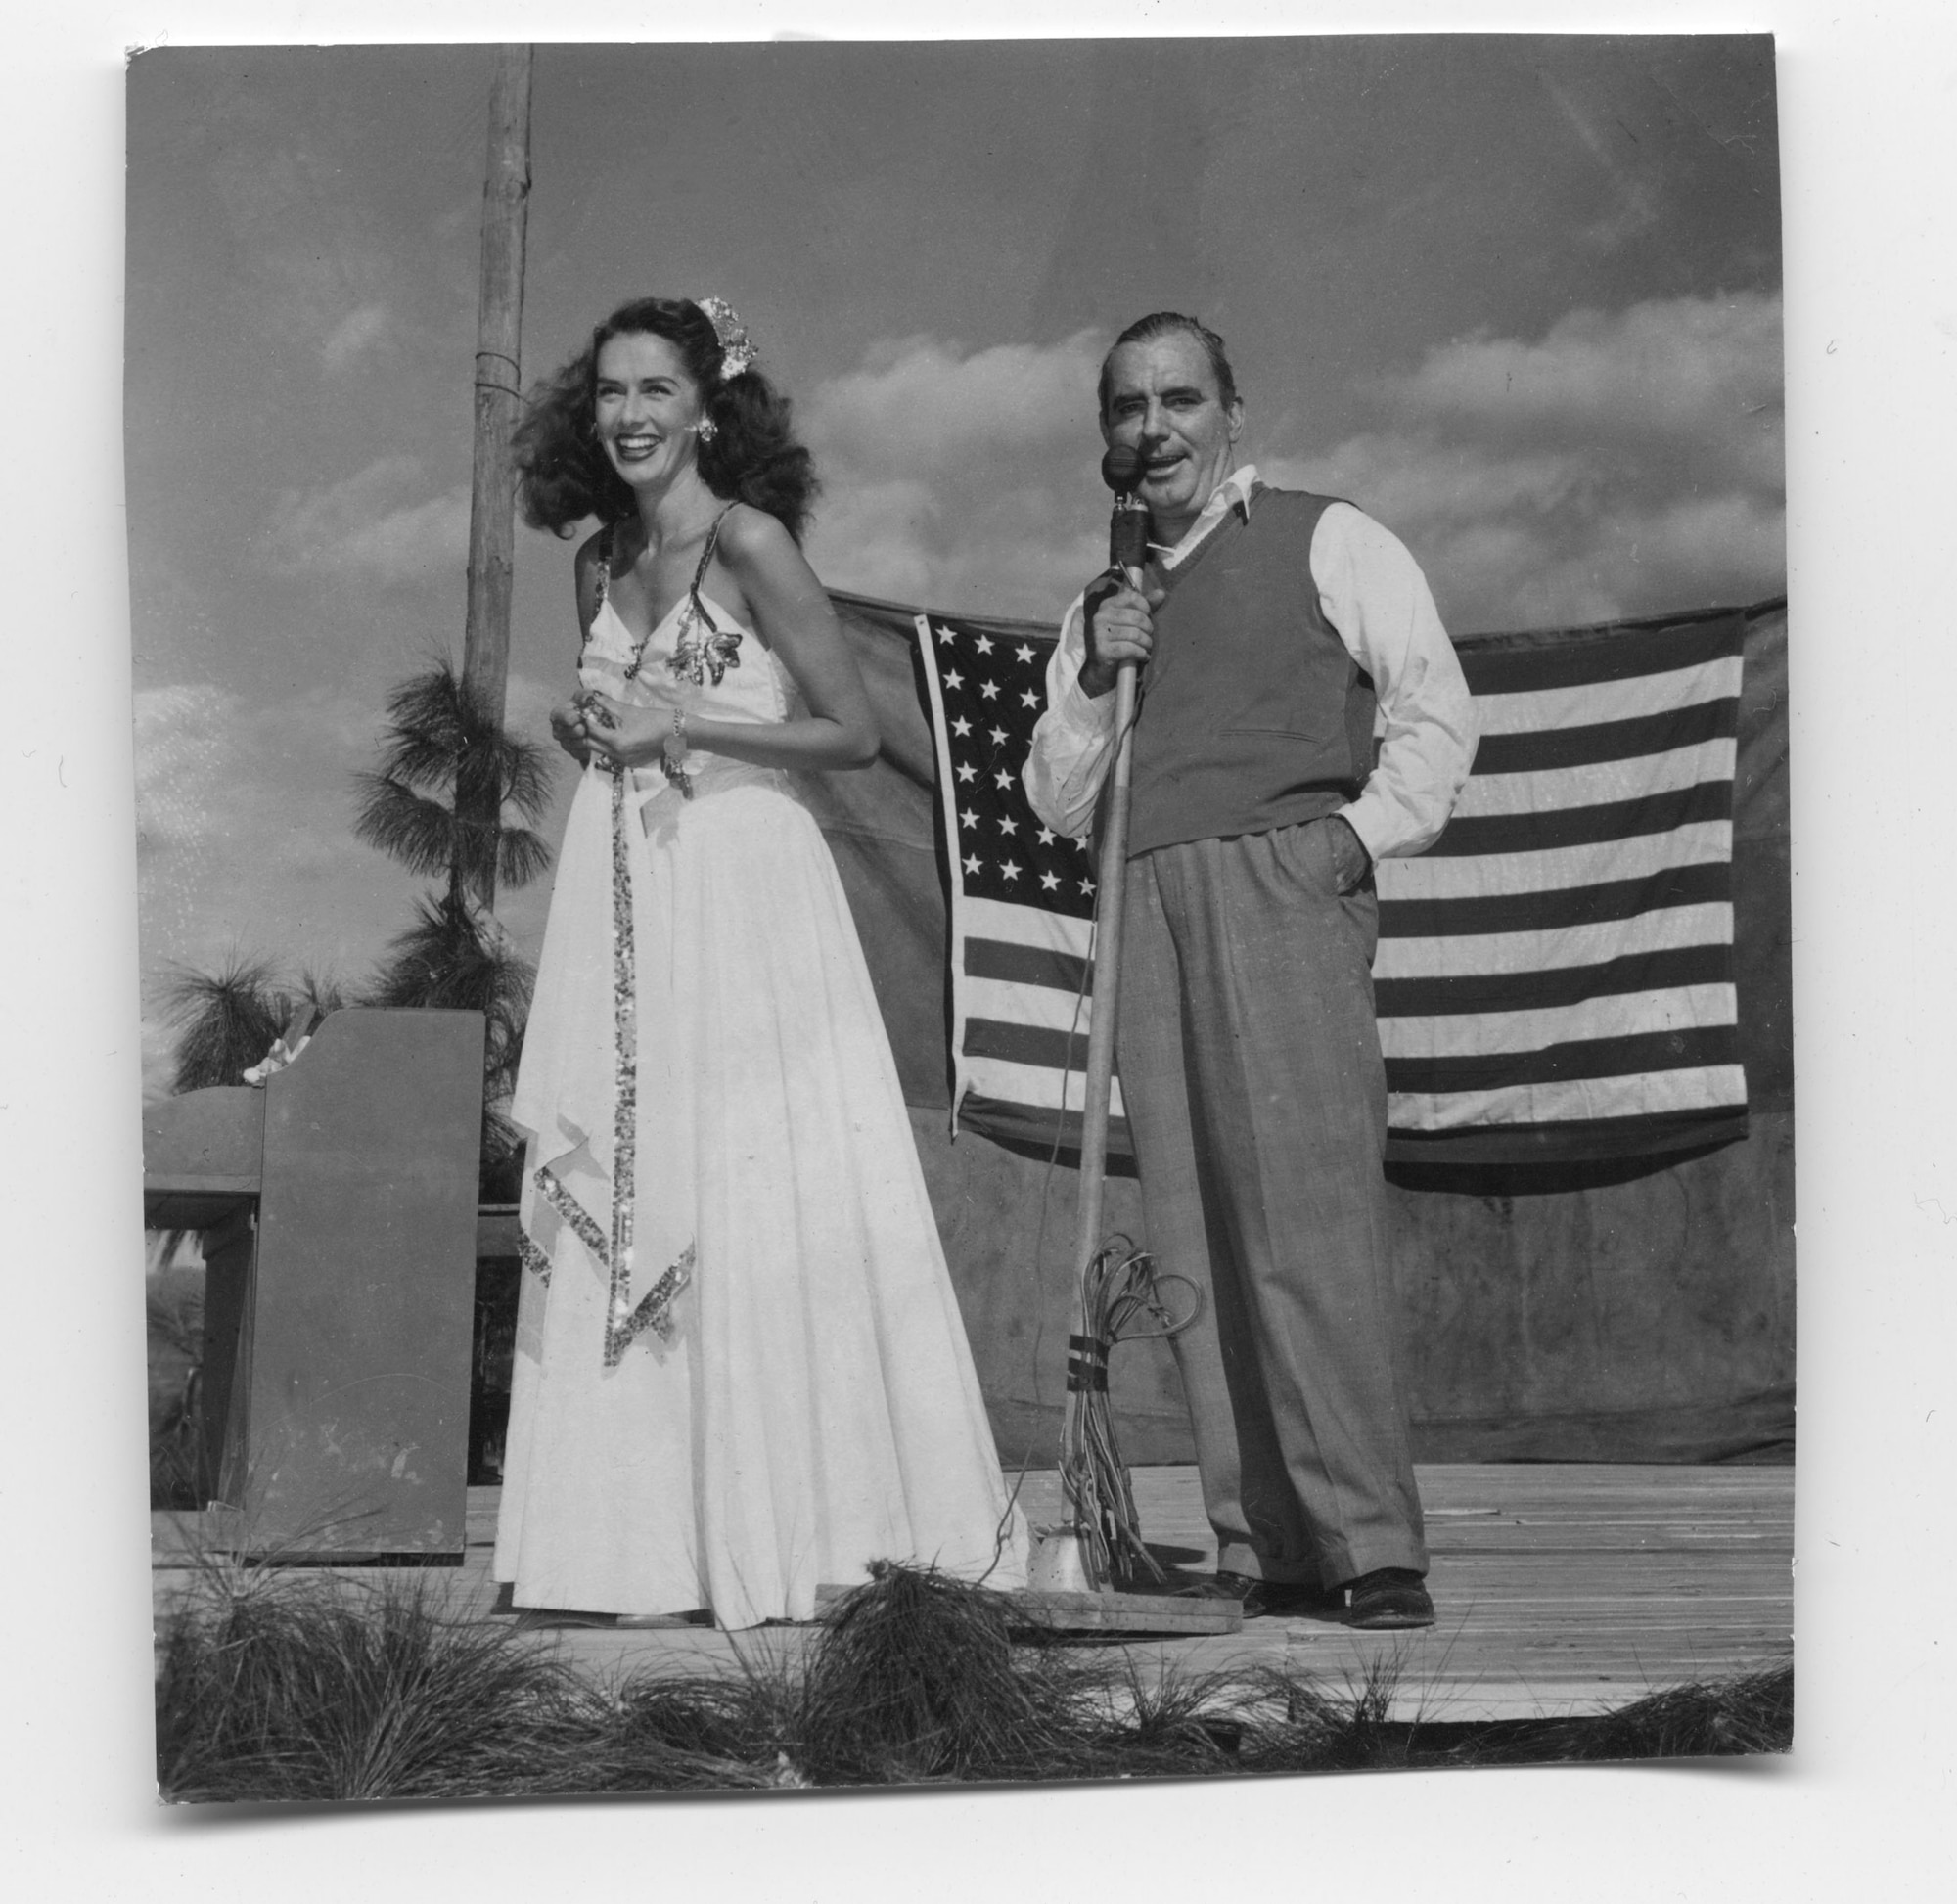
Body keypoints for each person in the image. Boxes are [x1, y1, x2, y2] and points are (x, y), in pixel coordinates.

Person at [492, 295, 1026, 1629]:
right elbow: (632, 716)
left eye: (656, 390)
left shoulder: (752, 543)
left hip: (748, 884)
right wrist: (605, 727)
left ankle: (793, 1526)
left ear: (709, 408)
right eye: (611, 391)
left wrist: (696, 729)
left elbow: (851, 732)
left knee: (752, 1193)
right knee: (636, 1178)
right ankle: (633, 1549)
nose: (629, 415)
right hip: (628, 888)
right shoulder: (594, 560)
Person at [1024, 312, 1479, 1629]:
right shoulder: (1101, 605)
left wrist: (1347, 841)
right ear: (1105, 434)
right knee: (1197, 1230)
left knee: (1306, 1219)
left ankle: (1368, 1542)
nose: (1152, 428)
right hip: (1146, 890)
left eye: (1178, 399)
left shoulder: (1326, 535)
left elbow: (1436, 708)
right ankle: (1262, 1538)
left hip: (1280, 875)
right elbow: (1060, 797)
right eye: (1126, 407)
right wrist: (1104, 677)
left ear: (1231, 411)